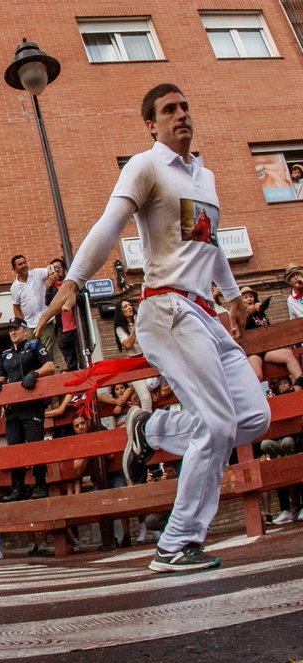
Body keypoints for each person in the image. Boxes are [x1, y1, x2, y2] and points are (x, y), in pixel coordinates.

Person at [41, 83, 271, 574]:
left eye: (185, 106)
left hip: (205, 314)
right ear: (151, 124)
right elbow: (109, 224)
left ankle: (153, 427)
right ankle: (176, 543)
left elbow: (206, 247)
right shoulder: (145, 166)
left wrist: (232, 298)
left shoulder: (202, 177)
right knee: (215, 424)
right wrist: (76, 280)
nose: (181, 115)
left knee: (252, 418)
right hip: (166, 309)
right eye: (169, 110)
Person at [0, 318, 56, 501]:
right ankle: (18, 488)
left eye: (16, 329)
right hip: (13, 408)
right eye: (10, 330)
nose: (13, 333)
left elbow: (50, 366)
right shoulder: (5, 354)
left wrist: (35, 374)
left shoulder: (35, 346)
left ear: (24, 331)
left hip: (32, 406)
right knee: (14, 448)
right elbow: (2, 376)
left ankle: (40, 484)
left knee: (35, 445)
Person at [241, 286, 303, 388]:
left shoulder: (262, 314)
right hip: (254, 352)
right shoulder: (242, 315)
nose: (249, 299)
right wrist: (255, 307)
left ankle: (299, 387)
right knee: (256, 375)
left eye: (251, 296)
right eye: (245, 297)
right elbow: (247, 313)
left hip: (267, 350)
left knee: (288, 355)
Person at [113, 300, 153, 410]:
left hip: (149, 360)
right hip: (135, 365)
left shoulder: (141, 321)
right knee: (146, 399)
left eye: (130, 305)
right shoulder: (120, 329)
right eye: (125, 307)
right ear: (120, 312)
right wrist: (135, 327)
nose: (129, 307)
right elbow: (128, 345)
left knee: (155, 390)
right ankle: (146, 425)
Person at [10, 254, 55, 352]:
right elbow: (16, 306)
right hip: (30, 325)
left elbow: (51, 268)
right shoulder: (14, 287)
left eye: (24, 262)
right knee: (31, 351)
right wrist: (21, 325)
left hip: (46, 320)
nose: (23, 265)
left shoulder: (37, 273)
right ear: (14, 269)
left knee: (47, 350)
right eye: (20, 264)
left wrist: (53, 277)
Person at [46, 257, 84, 371]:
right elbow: (48, 303)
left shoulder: (73, 283)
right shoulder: (52, 288)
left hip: (78, 328)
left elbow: (82, 298)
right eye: (53, 269)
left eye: (58, 267)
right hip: (63, 330)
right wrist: (49, 286)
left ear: (64, 269)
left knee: (83, 361)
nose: (56, 270)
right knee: (70, 364)